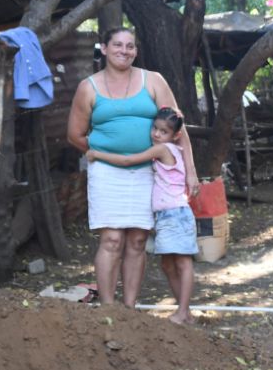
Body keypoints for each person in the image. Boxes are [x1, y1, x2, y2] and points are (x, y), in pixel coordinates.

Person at [67, 27, 199, 307]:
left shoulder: (153, 80)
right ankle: (108, 307)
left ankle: (129, 308)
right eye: (117, 45)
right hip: (106, 172)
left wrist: (191, 171)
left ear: (136, 51)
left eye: (130, 46)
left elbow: (179, 127)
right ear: (104, 48)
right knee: (112, 239)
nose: (123, 51)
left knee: (138, 240)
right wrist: (99, 154)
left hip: (147, 171)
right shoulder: (88, 87)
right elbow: (75, 135)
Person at [87, 107, 196, 324]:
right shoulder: (170, 149)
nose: (156, 134)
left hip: (175, 214)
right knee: (167, 264)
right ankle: (186, 312)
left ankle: (183, 312)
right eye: (154, 128)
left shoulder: (163, 149)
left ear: (175, 136)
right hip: (167, 215)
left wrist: (97, 154)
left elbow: (129, 161)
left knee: (182, 262)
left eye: (163, 131)